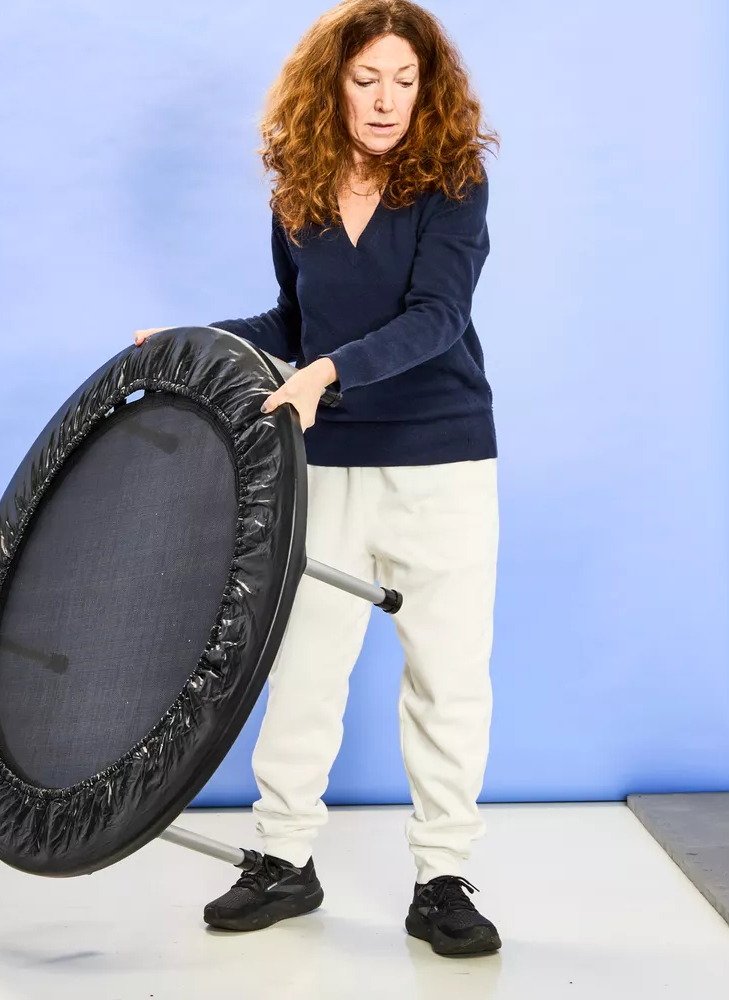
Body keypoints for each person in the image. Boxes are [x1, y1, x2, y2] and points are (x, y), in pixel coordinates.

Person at [134, 0, 500, 958]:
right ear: (332, 84)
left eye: (404, 81)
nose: (385, 101)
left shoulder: (453, 184)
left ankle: (444, 878)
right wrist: (194, 340)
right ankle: (284, 860)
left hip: (442, 461)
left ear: (428, 91)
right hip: (327, 463)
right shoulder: (297, 190)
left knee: (446, 676)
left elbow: (438, 319)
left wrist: (328, 376)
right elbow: (295, 323)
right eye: (366, 79)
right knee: (301, 668)